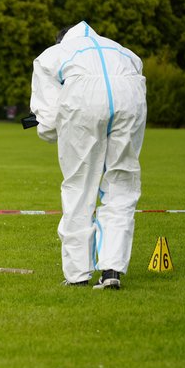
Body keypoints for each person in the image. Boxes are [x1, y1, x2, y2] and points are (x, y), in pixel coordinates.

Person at [29, 21, 147, 290]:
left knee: (79, 186)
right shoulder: (124, 51)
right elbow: (137, 76)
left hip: (83, 101)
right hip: (131, 98)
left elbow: (46, 118)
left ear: (62, 40)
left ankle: (77, 274)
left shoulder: (53, 54)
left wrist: (45, 127)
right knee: (121, 183)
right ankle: (112, 270)